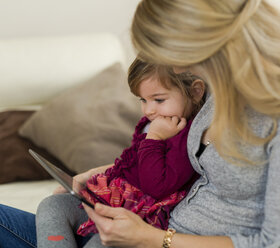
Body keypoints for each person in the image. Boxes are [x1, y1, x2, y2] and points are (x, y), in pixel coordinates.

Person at [0, 0, 280, 247]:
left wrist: (154, 239)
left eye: (178, 60)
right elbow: (192, 172)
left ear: (209, 45)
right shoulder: (225, 89)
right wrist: (103, 173)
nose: (181, 72)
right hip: (145, 228)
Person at [35, 57, 206, 247]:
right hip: (114, 200)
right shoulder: (155, 123)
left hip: (141, 217)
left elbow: (156, 186)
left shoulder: (187, 137)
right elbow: (130, 165)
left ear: (196, 92)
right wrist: (92, 178)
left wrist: (154, 139)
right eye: (143, 99)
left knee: (101, 242)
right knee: (52, 205)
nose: (148, 110)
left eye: (159, 100)